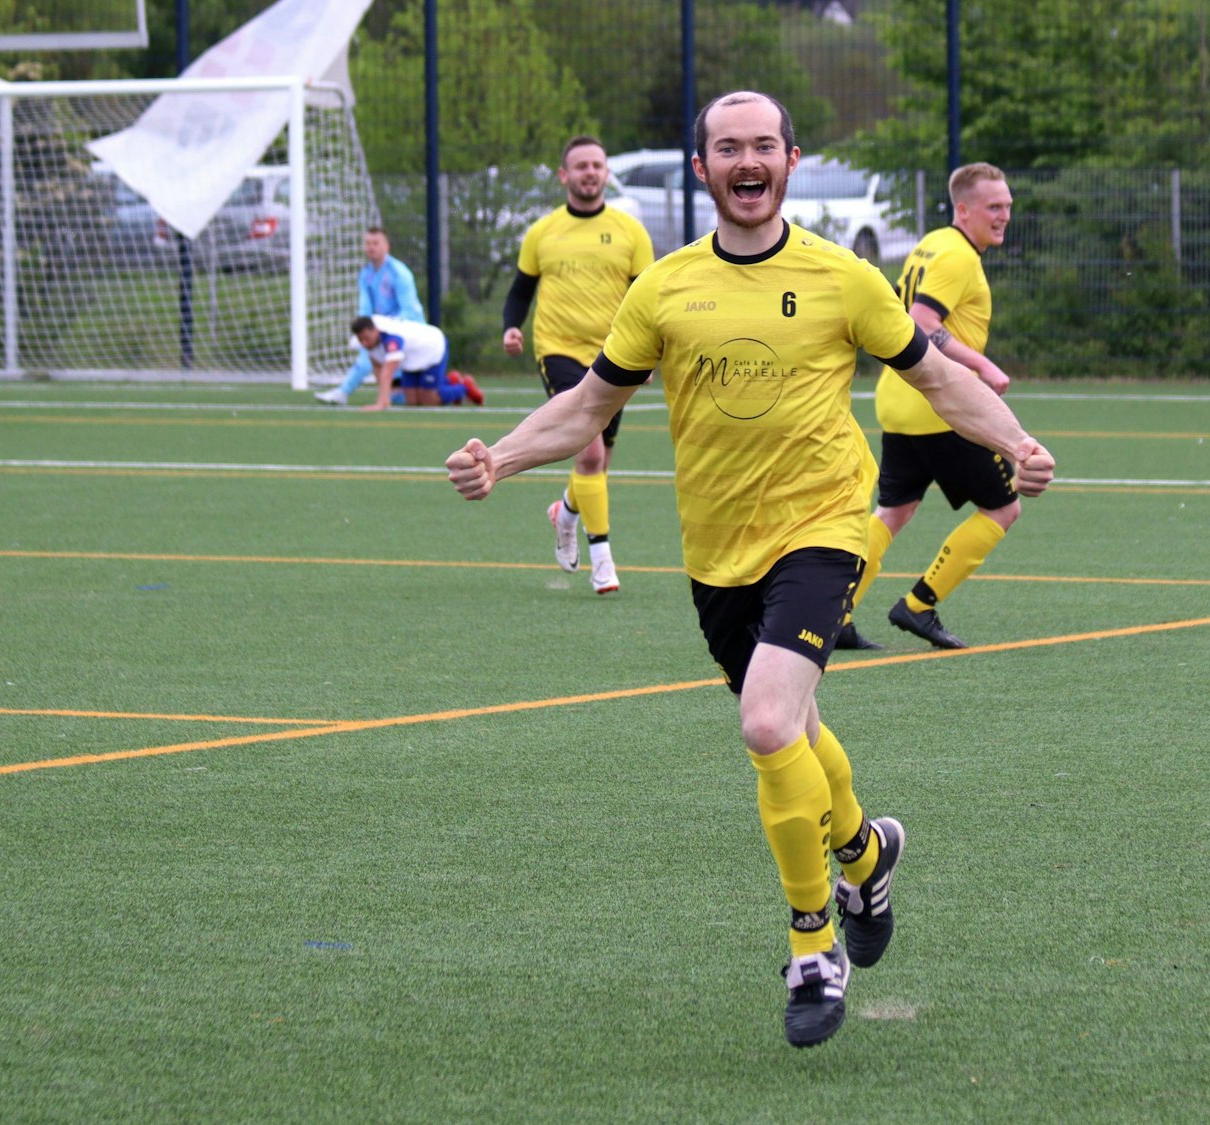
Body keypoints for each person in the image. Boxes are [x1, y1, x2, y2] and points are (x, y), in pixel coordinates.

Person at [446, 91, 1055, 1048]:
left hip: (822, 528)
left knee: (767, 718)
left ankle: (814, 943)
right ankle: (863, 849)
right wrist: (504, 456)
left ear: (791, 158)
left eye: (762, 144)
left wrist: (1015, 440)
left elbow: (933, 374)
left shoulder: (841, 277)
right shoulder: (666, 289)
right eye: (727, 147)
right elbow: (587, 406)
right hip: (716, 549)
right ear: (702, 169)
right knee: (796, 726)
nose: (746, 160)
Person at [837, 163, 1017, 652]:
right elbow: (921, 321)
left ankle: (837, 613)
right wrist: (985, 366)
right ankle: (919, 605)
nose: (1004, 215)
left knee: (894, 510)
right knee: (1003, 509)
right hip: (942, 406)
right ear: (964, 209)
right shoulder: (958, 257)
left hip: (900, 399)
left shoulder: (932, 242)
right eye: (994, 207)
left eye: (1008, 206)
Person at [502, 135, 654, 596]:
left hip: (615, 354)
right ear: (564, 176)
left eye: (597, 165)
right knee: (587, 451)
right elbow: (519, 291)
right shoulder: (543, 232)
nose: (590, 172)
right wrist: (512, 327)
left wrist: (650, 351)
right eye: (581, 166)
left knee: (599, 464)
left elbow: (646, 296)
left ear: (606, 173)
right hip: (559, 349)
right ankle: (602, 561)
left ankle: (566, 512)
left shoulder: (630, 231)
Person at [316, 227, 426, 405]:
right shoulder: (366, 274)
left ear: (386, 246)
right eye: (368, 243)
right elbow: (365, 308)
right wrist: (362, 330)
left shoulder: (399, 273)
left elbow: (409, 310)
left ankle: (344, 392)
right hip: (382, 328)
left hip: (408, 330)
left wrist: (383, 327)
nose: (371, 247)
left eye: (375, 243)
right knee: (403, 396)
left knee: (423, 395)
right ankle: (346, 392)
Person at [349, 315, 480, 410]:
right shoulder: (366, 336)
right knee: (412, 401)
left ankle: (464, 387)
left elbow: (387, 372)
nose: (364, 343)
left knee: (429, 401)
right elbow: (377, 366)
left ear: (375, 331)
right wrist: (385, 395)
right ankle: (450, 381)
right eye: (361, 340)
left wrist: (381, 403)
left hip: (431, 348)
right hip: (410, 359)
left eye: (366, 338)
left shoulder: (391, 338)